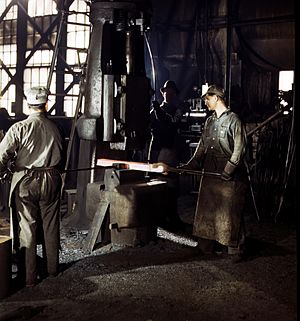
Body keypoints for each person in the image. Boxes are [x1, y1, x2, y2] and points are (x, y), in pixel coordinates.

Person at [155, 84, 248, 260]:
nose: (204, 101)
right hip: (210, 170)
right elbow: (201, 149)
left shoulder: (234, 120)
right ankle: (205, 246)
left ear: (217, 98)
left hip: (228, 171)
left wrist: (229, 170)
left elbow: (239, 150)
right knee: (206, 208)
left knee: (229, 211)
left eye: (207, 98)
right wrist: (188, 167)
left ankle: (234, 249)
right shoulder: (210, 121)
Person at [0, 86, 65, 287]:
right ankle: (53, 271)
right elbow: (61, 154)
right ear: (45, 105)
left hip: (26, 180)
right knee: (51, 225)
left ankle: (29, 278)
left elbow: (2, 155)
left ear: (28, 105)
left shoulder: (19, 128)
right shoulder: (55, 128)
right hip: (52, 178)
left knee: (27, 226)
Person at [148, 80, 189, 232]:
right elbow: (150, 125)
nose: (169, 94)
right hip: (156, 149)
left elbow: (171, 124)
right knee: (156, 183)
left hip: (170, 150)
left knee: (171, 184)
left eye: (172, 92)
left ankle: (172, 217)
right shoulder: (155, 110)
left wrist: (157, 110)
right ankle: (160, 217)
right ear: (163, 92)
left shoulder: (178, 109)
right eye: (166, 91)